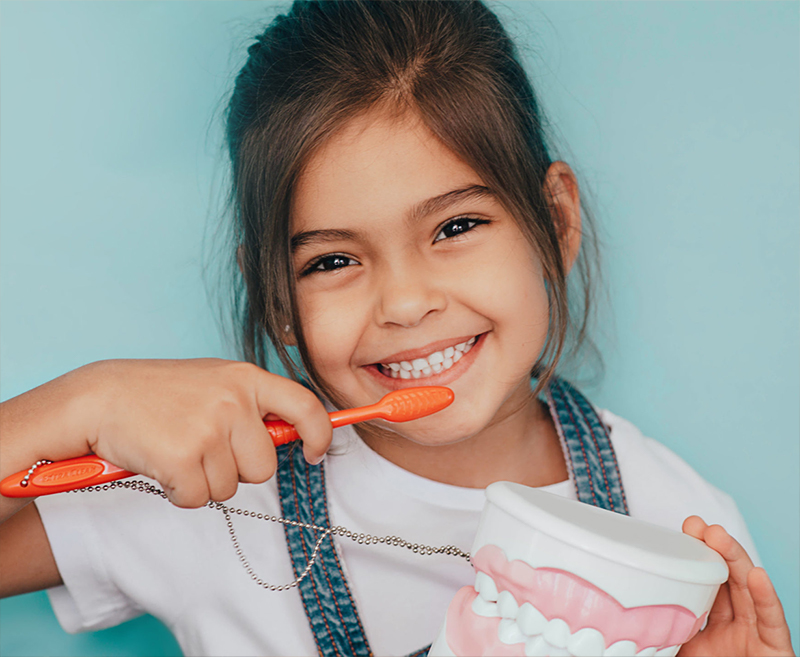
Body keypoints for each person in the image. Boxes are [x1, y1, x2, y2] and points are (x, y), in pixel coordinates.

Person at [0, 1, 794, 656]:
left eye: (455, 227)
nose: (406, 304)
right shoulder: (208, 495)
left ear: (554, 221)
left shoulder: (681, 527)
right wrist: (85, 402)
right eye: (332, 262)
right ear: (276, 295)